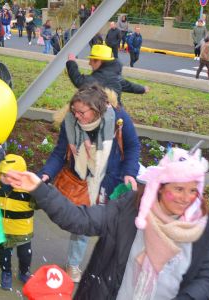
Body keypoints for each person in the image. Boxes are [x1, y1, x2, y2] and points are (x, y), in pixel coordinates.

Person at [7, 146, 209, 299]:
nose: (186, 198)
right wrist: (40, 189)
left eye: (193, 191)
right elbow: (79, 220)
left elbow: (207, 278)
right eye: (179, 189)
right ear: (161, 187)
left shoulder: (200, 227)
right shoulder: (128, 210)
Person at [37, 84, 140, 283]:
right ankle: (73, 263)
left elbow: (133, 146)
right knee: (83, 224)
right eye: (74, 110)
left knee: (115, 227)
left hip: (112, 181)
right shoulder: (71, 123)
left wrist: (129, 173)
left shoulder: (119, 119)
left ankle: (111, 266)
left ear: (96, 110)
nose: (76, 116)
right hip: (84, 183)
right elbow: (60, 153)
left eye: (81, 112)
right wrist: (45, 174)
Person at [0, 154, 35, 290]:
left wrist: (38, 192)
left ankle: (24, 272)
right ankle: (6, 272)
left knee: (25, 255)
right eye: (4, 175)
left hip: (22, 230)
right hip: (4, 231)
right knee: (4, 254)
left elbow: (39, 204)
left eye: (12, 177)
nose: (7, 180)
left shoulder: (28, 190)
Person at [66, 44, 148, 106]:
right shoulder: (114, 76)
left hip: (106, 115)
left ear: (99, 61)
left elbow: (78, 81)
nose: (89, 63)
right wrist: (142, 89)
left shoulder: (100, 77)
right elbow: (128, 85)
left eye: (91, 60)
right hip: (118, 112)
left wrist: (71, 62)